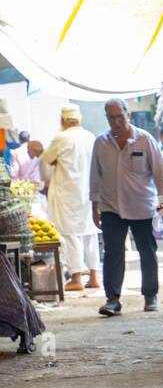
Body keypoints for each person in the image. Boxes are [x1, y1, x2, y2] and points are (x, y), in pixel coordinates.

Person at [91, 99, 163, 316]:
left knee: (147, 251)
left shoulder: (144, 140)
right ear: (107, 118)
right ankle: (113, 299)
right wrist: (94, 206)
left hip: (142, 206)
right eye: (111, 117)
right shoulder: (101, 143)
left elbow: (160, 173)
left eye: (120, 116)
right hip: (111, 207)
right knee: (113, 253)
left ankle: (150, 295)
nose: (116, 121)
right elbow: (95, 177)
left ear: (128, 115)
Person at [40, 105, 99, 292]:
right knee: (90, 233)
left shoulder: (61, 137)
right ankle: (94, 276)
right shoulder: (90, 136)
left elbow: (47, 158)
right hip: (89, 192)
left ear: (63, 120)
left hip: (67, 192)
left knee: (70, 233)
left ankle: (76, 278)